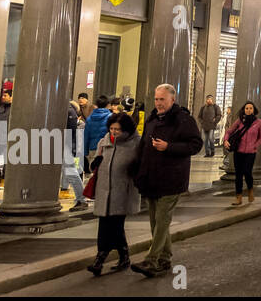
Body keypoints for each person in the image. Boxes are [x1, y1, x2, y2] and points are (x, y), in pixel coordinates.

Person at [131, 84, 203, 277]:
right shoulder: (152, 119)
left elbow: (196, 145)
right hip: (151, 177)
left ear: (172, 99)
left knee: (162, 220)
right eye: (156, 99)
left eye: (162, 99)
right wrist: (137, 170)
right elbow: (143, 146)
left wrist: (169, 147)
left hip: (171, 178)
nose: (158, 103)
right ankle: (165, 258)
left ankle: (151, 260)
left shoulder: (183, 119)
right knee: (156, 221)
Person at [86, 113, 141, 276]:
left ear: (126, 129)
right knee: (106, 225)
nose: (114, 132)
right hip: (104, 190)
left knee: (113, 226)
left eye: (117, 129)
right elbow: (96, 160)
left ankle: (100, 260)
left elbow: (142, 164)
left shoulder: (135, 143)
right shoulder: (105, 140)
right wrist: (94, 163)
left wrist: (135, 170)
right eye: (111, 128)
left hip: (122, 191)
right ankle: (123, 256)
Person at [223, 101, 261, 206]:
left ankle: (250, 190)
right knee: (238, 174)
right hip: (239, 151)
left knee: (247, 172)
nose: (249, 110)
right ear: (244, 110)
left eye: (251, 108)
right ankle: (238, 197)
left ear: (254, 110)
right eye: (247, 108)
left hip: (251, 152)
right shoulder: (240, 121)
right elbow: (229, 131)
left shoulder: (259, 123)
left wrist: (255, 145)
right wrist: (225, 140)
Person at [61, 100, 88, 211]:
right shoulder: (68, 110)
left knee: (71, 172)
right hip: (64, 144)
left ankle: (81, 199)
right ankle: (81, 199)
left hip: (65, 145)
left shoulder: (67, 111)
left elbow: (70, 133)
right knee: (70, 171)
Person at [83, 96, 112, 172]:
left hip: (92, 148)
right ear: (108, 105)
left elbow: (86, 136)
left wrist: (85, 151)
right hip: (106, 147)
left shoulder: (89, 118)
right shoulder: (111, 117)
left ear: (96, 105)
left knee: (93, 171)